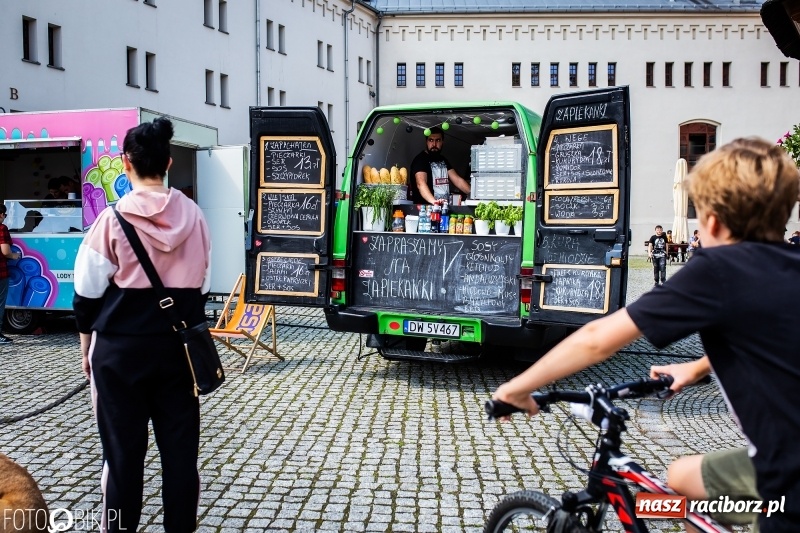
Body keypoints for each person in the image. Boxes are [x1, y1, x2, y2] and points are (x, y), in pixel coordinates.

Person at [493, 137, 800, 532]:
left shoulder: (720, 269)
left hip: (786, 483)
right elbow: (767, 332)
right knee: (683, 479)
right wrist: (699, 365)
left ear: (712, 222)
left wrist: (516, 389)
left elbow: (598, 339)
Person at [73, 118, 211, 532]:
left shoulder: (111, 222)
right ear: (168, 162)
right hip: (177, 352)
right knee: (181, 457)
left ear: (125, 164)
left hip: (119, 355)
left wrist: (85, 347)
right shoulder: (197, 217)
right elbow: (202, 285)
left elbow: (86, 293)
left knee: (121, 459)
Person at [409, 126, 471, 204]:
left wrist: (474, 194)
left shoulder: (443, 159)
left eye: (438, 140)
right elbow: (421, 183)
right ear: (426, 142)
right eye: (431, 140)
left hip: (443, 208)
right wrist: (433, 201)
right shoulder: (420, 160)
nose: (434, 144)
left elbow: (458, 180)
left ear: (442, 142)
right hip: (425, 210)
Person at [0, 205, 22, 345]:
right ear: (1, 214)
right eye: (5, 215)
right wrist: (15, 256)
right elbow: (5, 251)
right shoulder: (2, 229)